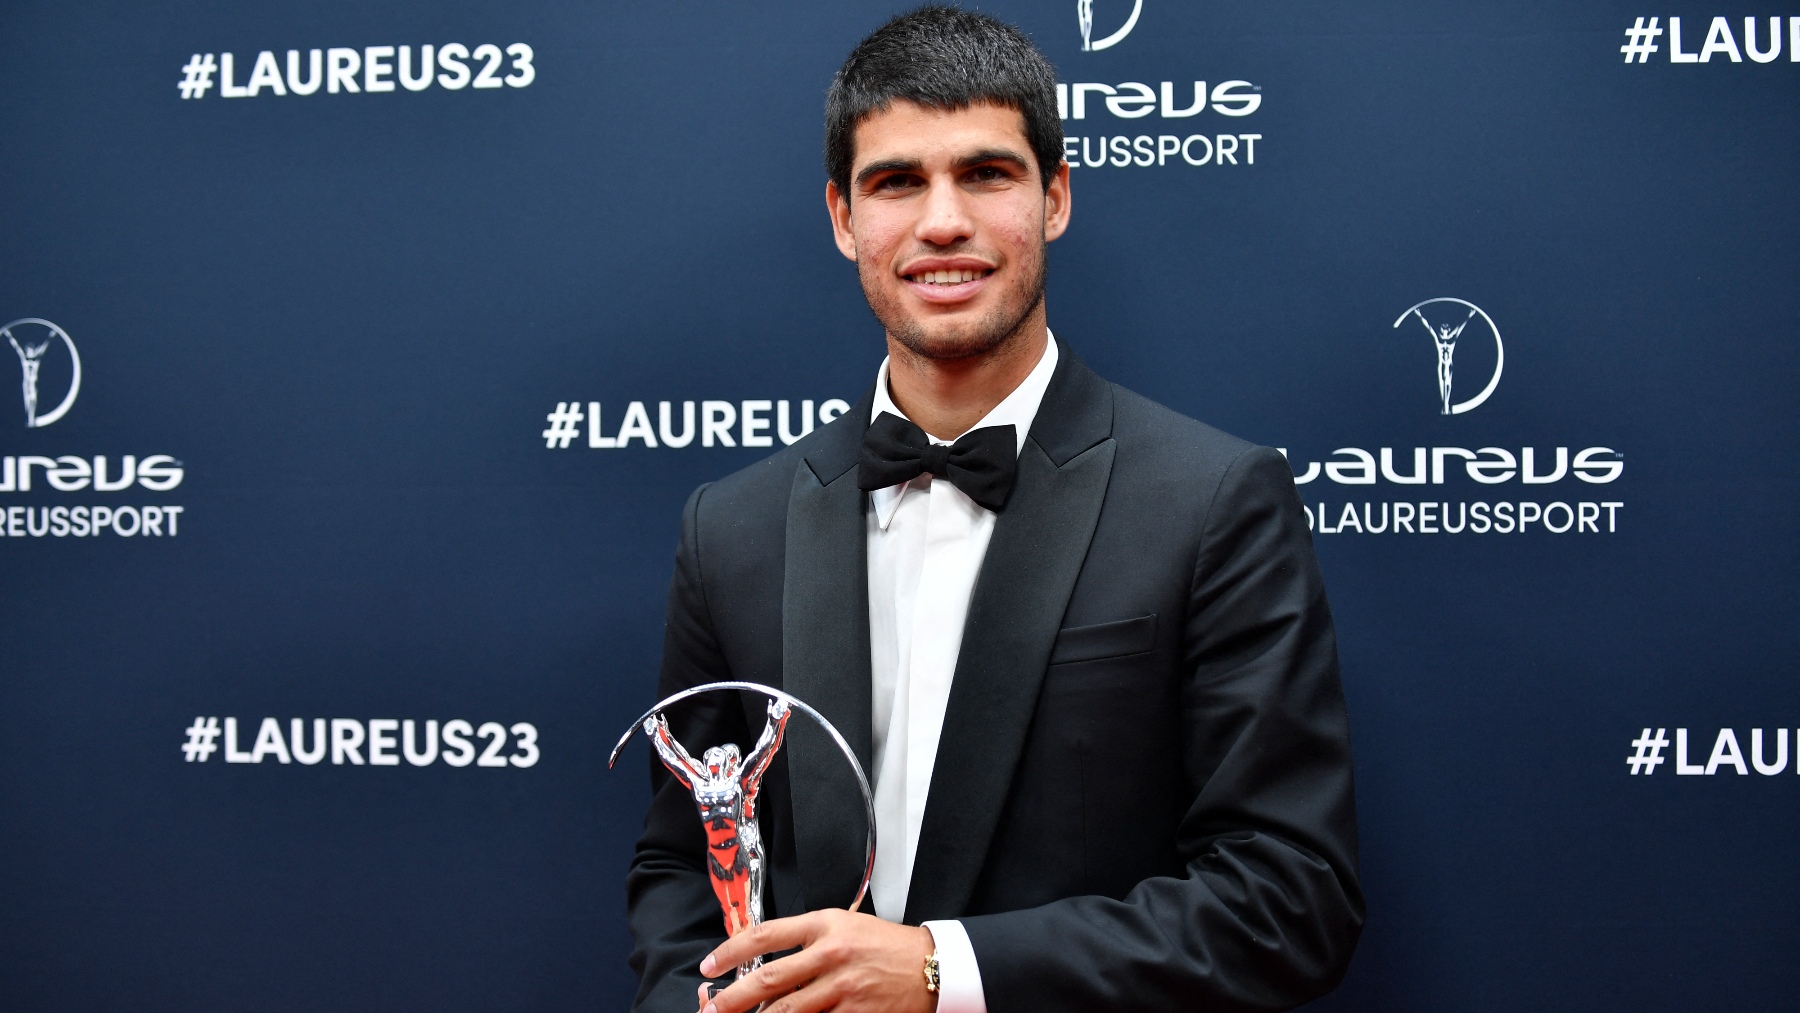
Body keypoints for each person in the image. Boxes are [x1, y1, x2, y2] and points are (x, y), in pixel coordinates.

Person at [626, 8, 1362, 1013]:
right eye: (897, 182)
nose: (942, 222)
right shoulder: (732, 525)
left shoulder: (1213, 501)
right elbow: (680, 866)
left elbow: (1288, 898)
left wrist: (939, 970)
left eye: (985, 173)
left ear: (1054, 197)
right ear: (843, 218)